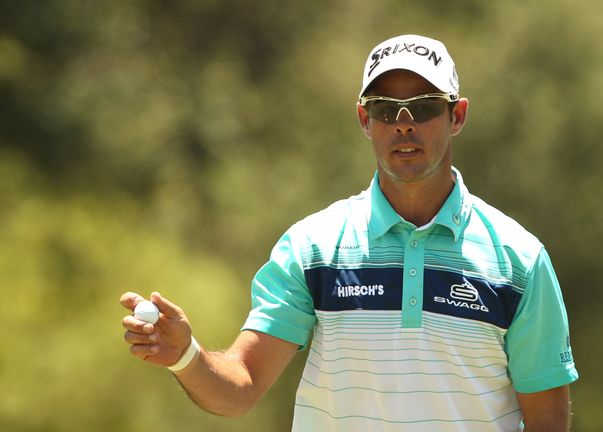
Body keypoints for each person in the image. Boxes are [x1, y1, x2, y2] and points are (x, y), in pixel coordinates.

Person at [121, 34, 578, 431]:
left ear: (456, 115)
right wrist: (186, 356)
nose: (404, 122)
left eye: (423, 107)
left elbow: (546, 420)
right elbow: (241, 386)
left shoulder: (520, 259)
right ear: (364, 120)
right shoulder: (312, 247)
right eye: (384, 109)